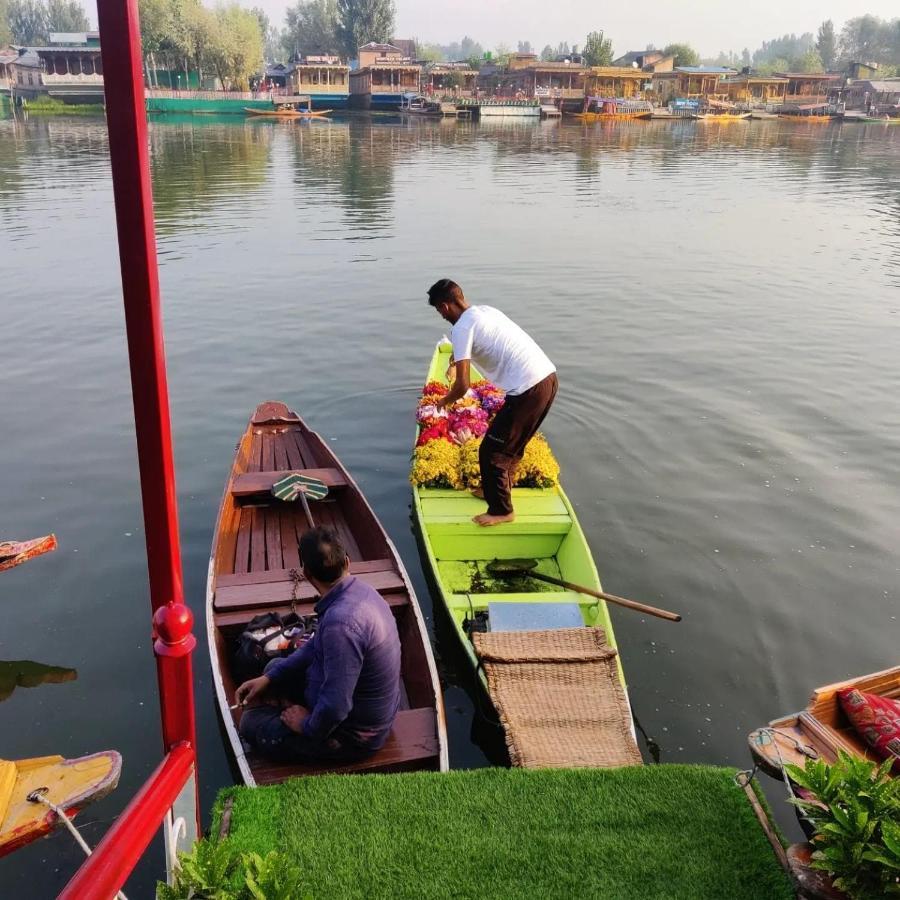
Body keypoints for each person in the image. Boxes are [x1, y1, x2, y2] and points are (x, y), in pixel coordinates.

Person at [235, 526, 401, 764]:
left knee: (251, 724)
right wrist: (268, 679)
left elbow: (336, 706)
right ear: (347, 561)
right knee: (273, 667)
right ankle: (289, 702)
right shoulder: (363, 593)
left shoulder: (341, 624)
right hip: (362, 707)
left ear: (306, 573)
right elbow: (314, 647)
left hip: (355, 736)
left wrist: (306, 724)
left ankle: (296, 715)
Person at [427, 278, 558, 526]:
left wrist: (444, 401)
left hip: (527, 389)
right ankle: (494, 490)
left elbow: (463, 385)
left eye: (438, 311)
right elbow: (479, 341)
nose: (441, 316)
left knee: (492, 451)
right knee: (513, 446)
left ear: (444, 307)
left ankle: (502, 511)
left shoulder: (461, 328)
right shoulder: (485, 312)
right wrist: (455, 359)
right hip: (547, 379)